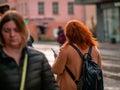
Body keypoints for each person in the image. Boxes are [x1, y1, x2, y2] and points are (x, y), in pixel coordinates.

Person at [0, 10, 59, 90]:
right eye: (7, 31)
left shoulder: (39, 58)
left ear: (23, 31)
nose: (12, 35)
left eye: (16, 30)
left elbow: (51, 87)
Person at [52, 20, 102, 90]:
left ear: (68, 34)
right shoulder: (94, 49)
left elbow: (56, 70)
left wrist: (56, 58)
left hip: (69, 87)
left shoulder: (65, 49)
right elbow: (99, 69)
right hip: (90, 86)